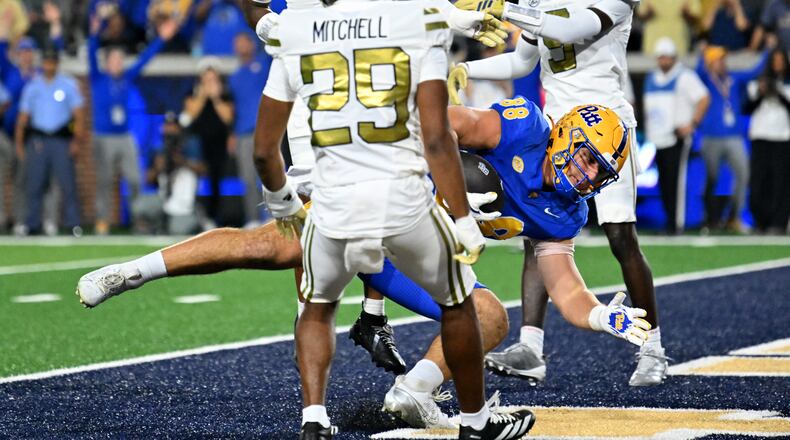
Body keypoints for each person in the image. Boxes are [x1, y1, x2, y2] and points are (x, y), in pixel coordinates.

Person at [255, 1, 540, 438]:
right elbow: (437, 137)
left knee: (315, 308)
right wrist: (463, 220)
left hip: (333, 198)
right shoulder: (415, 21)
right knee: (464, 306)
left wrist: (282, 202)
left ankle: (313, 419)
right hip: (399, 200)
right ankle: (476, 423)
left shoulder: (295, 31)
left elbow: (262, 150)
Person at [449, 0, 668, 386]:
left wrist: (504, 8)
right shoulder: (541, 3)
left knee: (620, 235)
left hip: (605, 132)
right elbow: (521, 62)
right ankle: (530, 347)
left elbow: (567, 29)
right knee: (539, 229)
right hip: (557, 123)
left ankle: (652, 346)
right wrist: (466, 69)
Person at [88, 15, 180, 235]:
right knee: (104, 180)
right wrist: (93, 33)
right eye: (114, 60)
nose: (118, 64)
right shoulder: (97, 78)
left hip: (123, 135)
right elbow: (91, 55)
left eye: (120, 60)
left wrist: (161, 39)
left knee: (135, 178)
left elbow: (143, 60)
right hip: (103, 136)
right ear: (107, 63)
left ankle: (139, 219)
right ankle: (103, 221)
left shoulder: (126, 78)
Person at [696, 45, 769, 233]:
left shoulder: (734, 79)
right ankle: (709, 218)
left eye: (723, 59)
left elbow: (755, 72)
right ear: (711, 63)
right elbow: (698, 71)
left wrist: (769, 50)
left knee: (743, 174)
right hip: (711, 136)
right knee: (712, 178)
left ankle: (735, 217)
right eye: (718, 60)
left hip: (734, 137)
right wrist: (701, 54)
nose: (722, 63)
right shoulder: (706, 80)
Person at [14, 47, 85, 236]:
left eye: (52, 61)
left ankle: (73, 224)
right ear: (42, 63)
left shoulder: (68, 85)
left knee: (67, 183)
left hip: (61, 140)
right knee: (34, 184)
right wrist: (20, 144)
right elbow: (23, 118)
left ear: (57, 63)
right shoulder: (33, 86)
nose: (49, 65)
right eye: (46, 61)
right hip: (38, 141)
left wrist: (77, 141)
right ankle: (32, 223)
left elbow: (78, 115)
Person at [643, 37, 710, 234]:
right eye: (660, 57)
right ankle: (669, 221)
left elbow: (704, 98)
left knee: (676, 182)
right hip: (658, 138)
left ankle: (676, 224)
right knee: (664, 182)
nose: (663, 61)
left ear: (673, 58)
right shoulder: (652, 78)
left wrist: (693, 123)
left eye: (667, 57)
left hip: (677, 137)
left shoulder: (685, 76)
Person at [180, 59, 234, 228]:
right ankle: (194, 216)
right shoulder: (193, 92)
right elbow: (190, 114)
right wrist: (203, 95)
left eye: (213, 78)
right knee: (193, 179)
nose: (210, 81)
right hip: (197, 142)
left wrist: (216, 98)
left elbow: (228, 117)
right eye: (207, 78)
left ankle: (213, 216)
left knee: (216, 180)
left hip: (218, 143)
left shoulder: (225, 94)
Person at [134, 111, 207, 234]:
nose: (169, 129)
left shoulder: (190, 144)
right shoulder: (158, 148)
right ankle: (156, 225)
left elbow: (204, 170)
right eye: (167, 125)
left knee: (177, 230)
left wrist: (182, 162)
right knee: (139, 206)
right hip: (163, 197)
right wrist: (158, 168)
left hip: (185, 202)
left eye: (172, 125)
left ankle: (198, 220)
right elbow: (147, 179)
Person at [228, 32, 272, 228]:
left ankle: (272, 218)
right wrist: (233, 134)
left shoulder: (264, 66)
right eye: (237, 43)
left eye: (243, 42)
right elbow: (235, 109)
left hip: (267, 130)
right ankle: (253, 219)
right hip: (244, 133)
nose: (240, 47)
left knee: (271, 176)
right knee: (247, 178)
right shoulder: (235, 77)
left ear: (252, 44)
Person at [743, 48, 790, 234]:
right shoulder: (757, 84)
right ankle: (760, 221)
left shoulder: (787, 84)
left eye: (781, 60)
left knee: (781, 183)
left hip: (783, 138)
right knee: (758, 182)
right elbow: (746, 109)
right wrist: (763, 93)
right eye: (774, 60)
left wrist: (779, 94)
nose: (778, 64)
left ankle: (778, 223)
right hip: (761, 137)